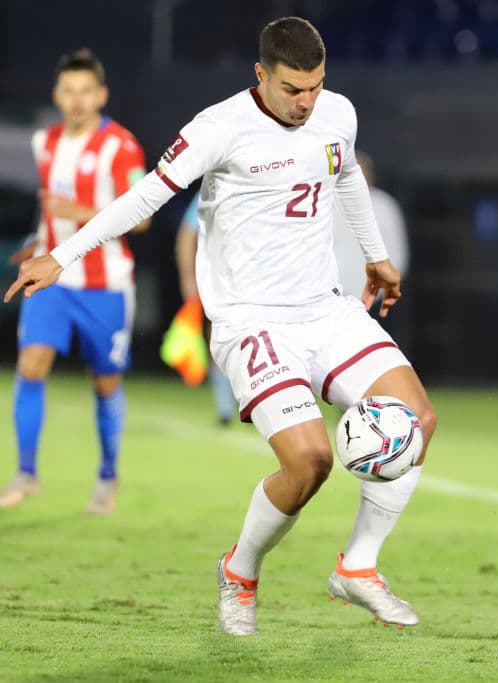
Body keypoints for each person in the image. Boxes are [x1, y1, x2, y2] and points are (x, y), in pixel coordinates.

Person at [5, 17, 437, 636]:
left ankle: (358, 567)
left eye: (315, 87)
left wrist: (375, 255)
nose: (306, 102)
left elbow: (344, 176)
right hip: (252, 321)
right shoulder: (219, 127)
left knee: (416, 419)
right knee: (309, 462)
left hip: (325, 308)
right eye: (292, 89)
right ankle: (240, 572)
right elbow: (144, 197)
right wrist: (62, 254)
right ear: (261, 75)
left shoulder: (338, 113)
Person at [0, 49, 148, 514]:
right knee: (31, 365)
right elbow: (50, 212)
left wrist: (79, 212)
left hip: (105, 285)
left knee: (104, 383)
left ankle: (107, 475)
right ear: (57, 96)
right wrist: (37, 240)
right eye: (69, 91)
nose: (78, 99)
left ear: (101, 95)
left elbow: (142, 217)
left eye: (86, 91)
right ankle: (26, 472)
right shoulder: (44, 142)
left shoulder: (123, 146)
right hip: (53, 283)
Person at [172, 192, 237, 425]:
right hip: (220, 280)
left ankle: (257, 401)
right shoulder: (213, 187)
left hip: (258, 280)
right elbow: (187, 234)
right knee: (218, 340)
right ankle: (226, 410)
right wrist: (188, 277)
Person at [334, 151, 409, 302]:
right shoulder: (327, 204)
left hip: (374, 298)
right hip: (331, 298)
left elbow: (397, 254)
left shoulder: (385, 205)